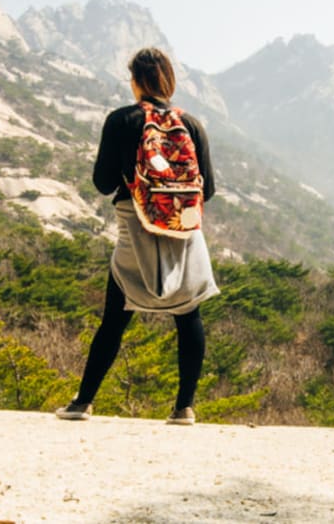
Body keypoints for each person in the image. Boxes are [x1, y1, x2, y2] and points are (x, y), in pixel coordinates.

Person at [56, 47, 220, 424]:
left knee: (116, 313)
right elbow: (207, 189)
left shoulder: (121, 120)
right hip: (183, 225)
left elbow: (102, 183)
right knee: (188, 311)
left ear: (135, 81)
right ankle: (184, 407)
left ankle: (83, 402)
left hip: (136, 221)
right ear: (169, 81)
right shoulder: (191, 124)